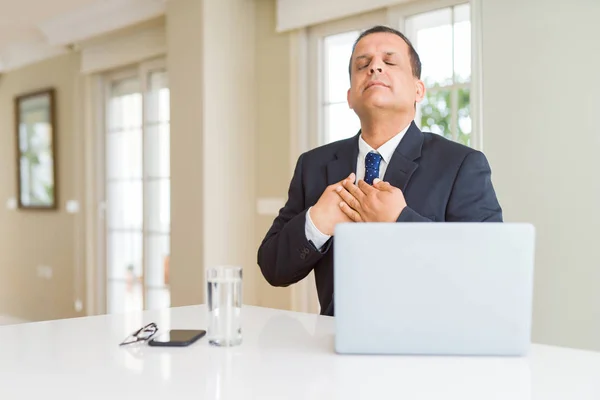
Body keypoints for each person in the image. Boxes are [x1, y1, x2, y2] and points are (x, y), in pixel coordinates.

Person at [257, 25, 502, 316]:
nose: (374, 67)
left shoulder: (462, 165)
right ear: (349, 97)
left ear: (418, 89)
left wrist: (400, 221)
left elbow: (489, 271)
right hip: (333, 351)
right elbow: (273, 268)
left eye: (389, 62)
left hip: (428, 351)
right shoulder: (313, 165)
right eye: (363, 64)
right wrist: (317, 221)